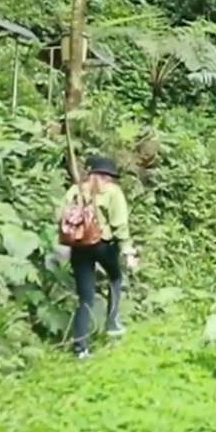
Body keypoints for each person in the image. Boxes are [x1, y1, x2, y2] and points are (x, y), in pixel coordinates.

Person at [62, 154, 137, 359]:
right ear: (107, 176)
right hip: (103, 244)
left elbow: (62, 216)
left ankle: (81, 348)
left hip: (79, 246)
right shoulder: (112, 192)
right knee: (115, 277)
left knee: (85, 298)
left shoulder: (75, 190)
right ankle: (112, 323)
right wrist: (128, 251)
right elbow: (120, 225)